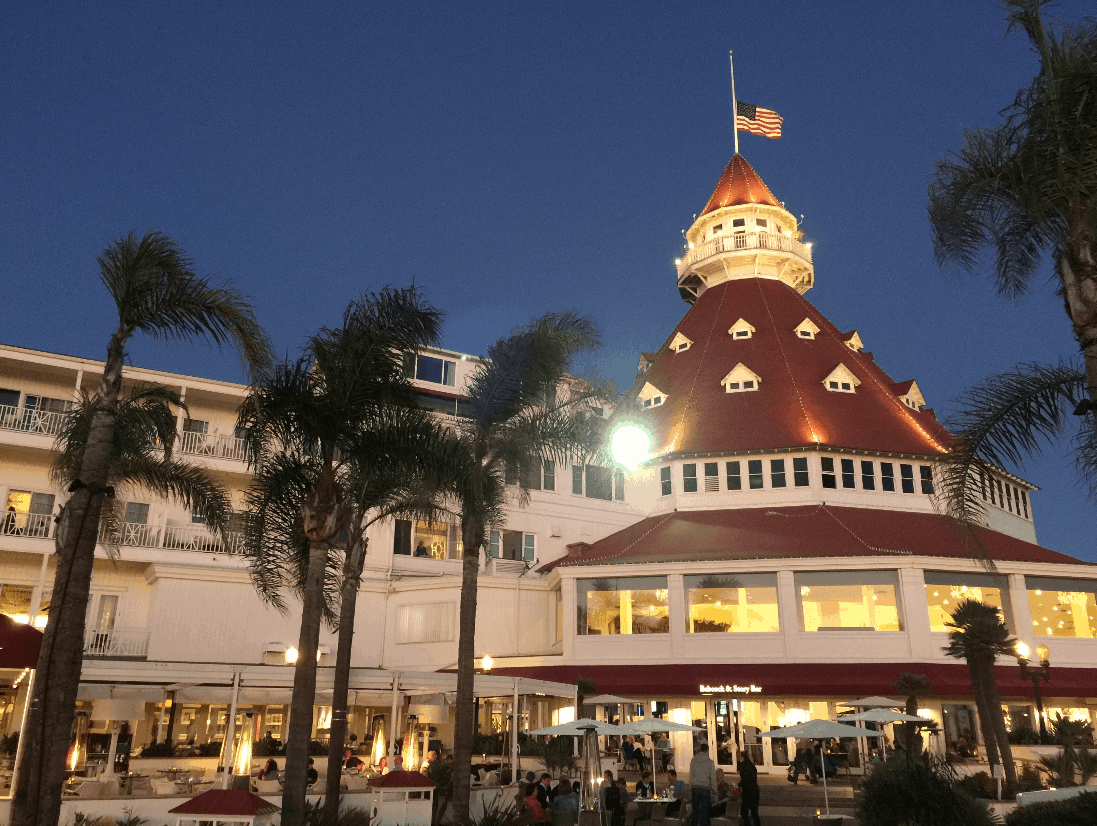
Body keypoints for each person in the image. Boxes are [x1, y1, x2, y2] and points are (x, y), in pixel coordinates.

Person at [689, 743, 718, 826]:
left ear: (700, 749)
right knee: (705, 812)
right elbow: (713, 778)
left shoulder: (693, 760)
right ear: (707, 750)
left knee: (695, 811)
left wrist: (690, 787)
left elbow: (691, 775)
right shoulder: (710, 762)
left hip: (695, 788)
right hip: (705, 788)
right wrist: (714, 790)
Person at [737, 751, 760, 826]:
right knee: (754, 812)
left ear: (742, 757)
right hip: (755, 789)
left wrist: (739, 785)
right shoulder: (751, 764)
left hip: (747, 790)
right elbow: (754, 777)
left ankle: (747, 824)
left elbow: (744, 778)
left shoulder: (743, 765)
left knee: (744, 811)